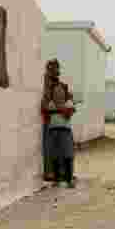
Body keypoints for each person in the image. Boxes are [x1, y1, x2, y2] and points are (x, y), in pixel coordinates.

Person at [40, 59, 77, 188]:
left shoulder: (63, 87)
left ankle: (68, 178)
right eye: (52, 68)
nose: (55, 71)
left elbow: (71, 107)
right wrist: (60, 109)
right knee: (54, 153)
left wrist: (61, 109)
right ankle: (56, 177)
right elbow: (45, 106)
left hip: (64, 127)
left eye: (56, 68)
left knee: (67, 153)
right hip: (52, 126)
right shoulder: (47, 87)